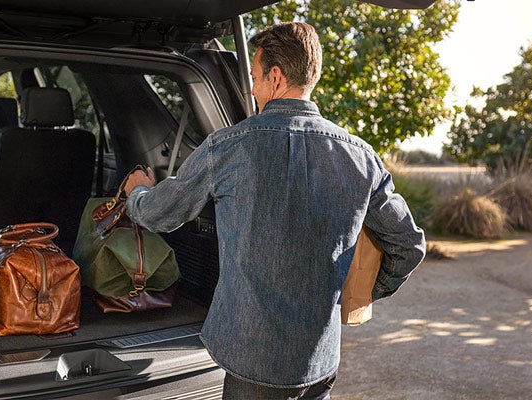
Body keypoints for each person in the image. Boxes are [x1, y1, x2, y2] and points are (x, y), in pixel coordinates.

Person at [123, 22, 425, 400]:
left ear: (276, 77)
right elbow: (409, 246)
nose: (251, 89)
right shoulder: (361, 158)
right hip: (320, 360)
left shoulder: (229, 147)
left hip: (254, 362)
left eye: (254, 77)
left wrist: (138, 192)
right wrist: (353, 294)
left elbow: (158, 214)